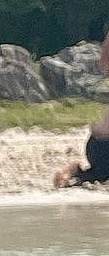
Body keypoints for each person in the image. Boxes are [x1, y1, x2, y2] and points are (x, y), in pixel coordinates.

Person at [52, 33, 109, 188]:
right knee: (100, 175)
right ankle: (75, 169)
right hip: (102, 144)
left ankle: (76, 170)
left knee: (98, 175)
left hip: (98, 144)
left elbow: (104, 63)